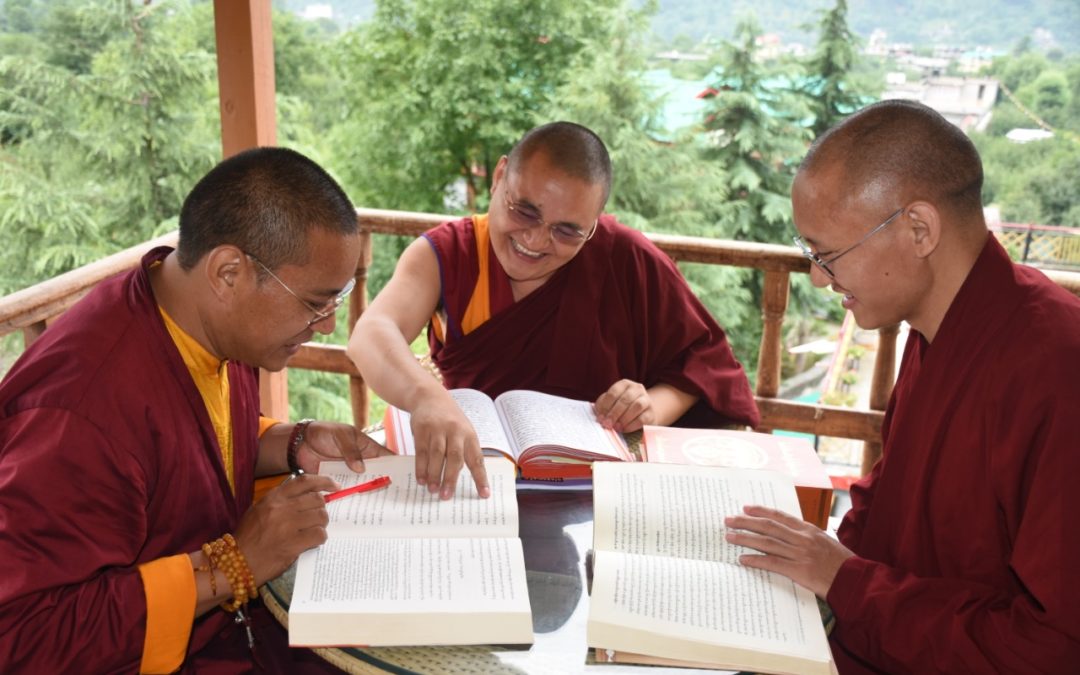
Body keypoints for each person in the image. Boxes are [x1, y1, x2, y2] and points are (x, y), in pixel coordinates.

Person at [0, 147, 389, 673]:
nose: (326, 326)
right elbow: (23, 638)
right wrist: (235, 563)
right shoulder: (78, 413)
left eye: (336, 301)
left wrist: (293, 442)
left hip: (225, 632)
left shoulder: (198, 321)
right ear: (228, 273)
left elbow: (188, 443)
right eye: (315, 303)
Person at [724, 100, 1080, 672]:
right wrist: (814, 563)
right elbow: (893, 507)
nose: (816, 277)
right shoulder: (937, 324)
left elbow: (1055, 647)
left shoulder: (1057, 369)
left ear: (919, 229)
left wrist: (845, 580)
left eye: (827, 254)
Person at [348, 121, 759, 500]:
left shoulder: (624, 256)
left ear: (593, 225)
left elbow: (704, 363)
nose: (536, 240)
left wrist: (650, 406)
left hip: (598, 489)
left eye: (567, 231)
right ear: (498, 178)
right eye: (524, 211)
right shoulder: (448, 253)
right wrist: (427, 399)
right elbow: (373, 332)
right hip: (478, 481)